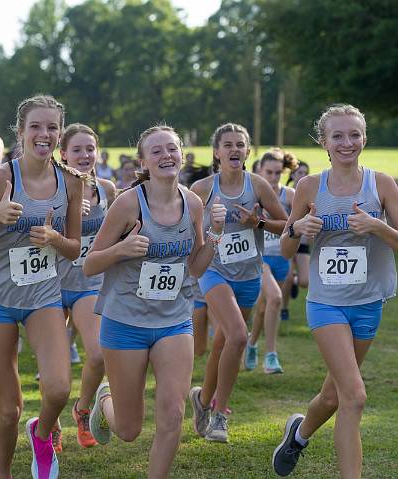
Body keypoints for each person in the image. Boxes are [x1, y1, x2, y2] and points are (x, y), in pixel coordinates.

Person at [83, 124, 226, 479]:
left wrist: (214, 236)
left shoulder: (192, 202)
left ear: (182, 154)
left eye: (172, 149)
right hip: (125, 322)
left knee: (173, 414)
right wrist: (121, 249)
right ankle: (105, 401)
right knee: (129, 430)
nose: (166, 156)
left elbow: (193, 268)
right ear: (143, 161)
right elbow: (90, 264)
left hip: (174, 320)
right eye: (157, 151)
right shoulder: (128, 203)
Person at [273, 104, 398, 477]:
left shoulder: (384, 184)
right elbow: (285, 247)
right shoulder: (311, 187)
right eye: (338, 136)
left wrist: (378, 228)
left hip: (368, 302)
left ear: (364, 138)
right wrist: (298, 230)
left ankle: (299, 434)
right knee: (354, 396)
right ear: (324, 142)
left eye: (354, 134)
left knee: (333, 394)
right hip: (327, 303)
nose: (348, 142)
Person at [0, 95, 83, 479]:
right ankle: (3, 473)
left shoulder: (70, 182)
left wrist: (54, 238)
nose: (44, 134)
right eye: (36, 126)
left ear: (60, 133)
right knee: (9, 407)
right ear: (21, 131)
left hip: (44, 296)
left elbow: (74, 249)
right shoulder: (0, 178)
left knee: (59, 388)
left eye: (52, 127)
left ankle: (42, 433)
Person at [188, 123, 288, 443]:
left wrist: (257, 221)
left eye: (240, 145)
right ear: (216, 152)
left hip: (249, 274)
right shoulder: (203, 189)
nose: (234, 150)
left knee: (225, 342)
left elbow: (286, 224)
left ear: (248, 151)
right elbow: (182, 226)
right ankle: (219, 414)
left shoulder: (257, 185)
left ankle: (202, 400)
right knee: (238, 335)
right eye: (227, 145)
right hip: (214, 271)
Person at [56, 123, 116, 450]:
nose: (84, 155)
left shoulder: (106, 189)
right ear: (62, 153)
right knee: (54, 369)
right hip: (48, 284)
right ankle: (48, 423)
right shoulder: (50, 188)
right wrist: (67, 214)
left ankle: (82, 409)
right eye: (77, 150)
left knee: (97, 354)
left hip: (87, 283)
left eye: (90, 149)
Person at [245, 148, 297, 374]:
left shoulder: (290, 195)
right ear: (258, 170)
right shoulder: (252, 195)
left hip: (282, 258)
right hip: (259, 257)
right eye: (269, 172)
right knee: (275, 298)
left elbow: (297, 226)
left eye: (278, 172)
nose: (274, 177)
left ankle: (251, 344)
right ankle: (271, 356)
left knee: (265, 307)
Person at [283, 160, 311, 314]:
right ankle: (284, 308)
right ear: (292, 174)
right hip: (288, 240)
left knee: (304, 282)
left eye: (305, 173)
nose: (303, 176)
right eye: (300, 172)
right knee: (286, 278)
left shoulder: (310, 193)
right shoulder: (286, 194)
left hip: (304, 242)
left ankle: (295, 279)